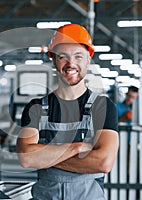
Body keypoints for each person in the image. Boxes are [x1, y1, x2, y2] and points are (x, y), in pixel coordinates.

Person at [16, 24, 119, 199]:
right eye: (63, 57)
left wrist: (46, 157)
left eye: (78, 56)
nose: (71, 64)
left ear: (88, 60)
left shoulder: (102, 106)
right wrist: (77, 147)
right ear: (54, 60)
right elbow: (26, 158)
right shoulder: (36, 108)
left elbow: (103, 162)